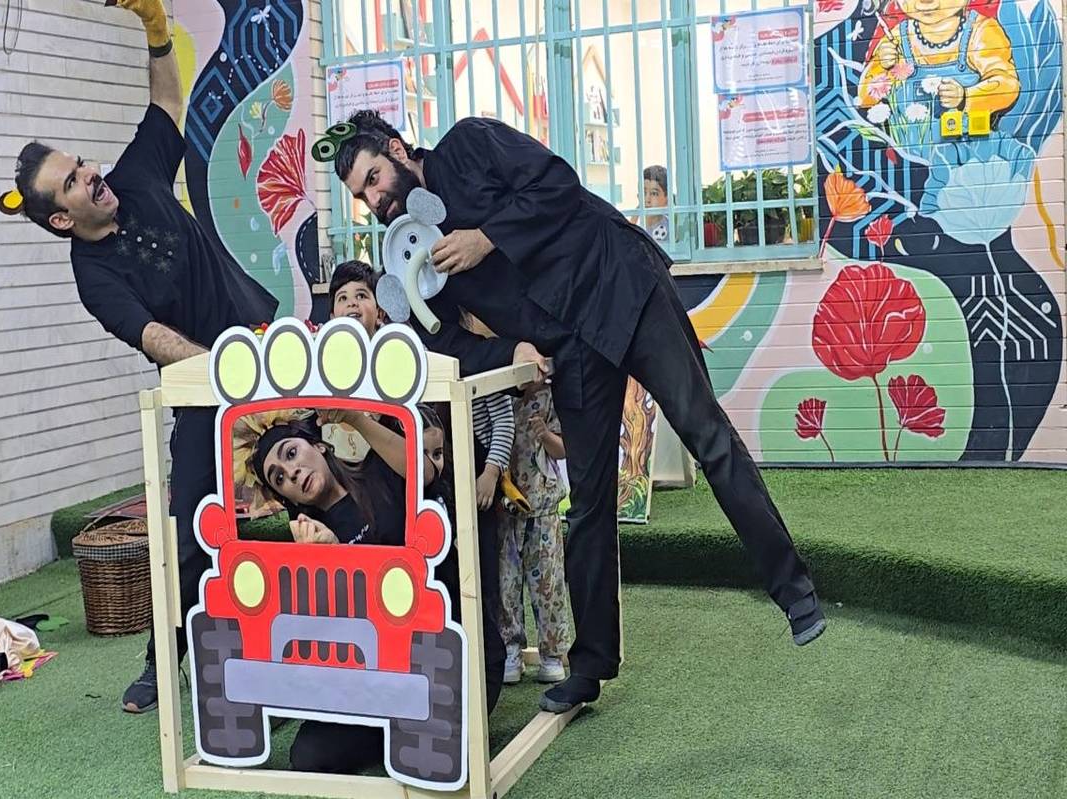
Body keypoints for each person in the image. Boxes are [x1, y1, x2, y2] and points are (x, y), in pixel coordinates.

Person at [332, 109, 826, 715]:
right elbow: (447, 340)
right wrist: (508, 349)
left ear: (396, 150)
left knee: (708, 435)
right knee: (589, 502)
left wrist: (486, 236)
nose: (375, 200)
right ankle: (589, 666)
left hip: (620, 284)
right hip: (568, 346)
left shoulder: (467, 143)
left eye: (374, 179)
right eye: (361, 196)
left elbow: (556, 183)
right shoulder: (417, 257)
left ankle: (795, 591)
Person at [2, 0, 279, 714]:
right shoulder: (94, 277)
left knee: (333, 480)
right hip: (203, 384)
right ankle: (165, 662)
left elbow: (166, 104)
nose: (91, 174)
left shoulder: (137, 176)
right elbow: (151, 336)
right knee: (188, 529)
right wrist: (222, 373)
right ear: (61, 217)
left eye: (80, 164)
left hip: (262, 343)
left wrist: (157, 33)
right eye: (73, 181)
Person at [250, 411, 485, 774]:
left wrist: (354, 418)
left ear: (319, 445)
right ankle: (394, 727)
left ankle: (411, 727)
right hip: (382, 677)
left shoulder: (380, 472)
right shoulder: (309, 541)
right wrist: (323, 567)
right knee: (311, 755)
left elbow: (423, 472)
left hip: (450, 655)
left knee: (434, 744)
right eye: (278, 477)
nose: (291, 473)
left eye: (291, 454)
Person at [325, 263, 509, 706]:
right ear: (330, 317)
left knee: (461, 612)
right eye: (342, 298)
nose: (352, 304)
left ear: (380, 312)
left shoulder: (405, 365)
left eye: (361, 295)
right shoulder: (321, 378)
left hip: (429, 528)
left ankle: (474, 685)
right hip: (373, 541)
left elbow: (423, 469)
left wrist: (357, 419)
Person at [498, 384, 570, 685]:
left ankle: (552, 654)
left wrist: (545, 434)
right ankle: (510, 649)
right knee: (506, 584)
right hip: (505, 508)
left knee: (548, 585)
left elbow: (563, 448)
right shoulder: (498, 395)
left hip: (542, 507)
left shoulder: (550, 396)